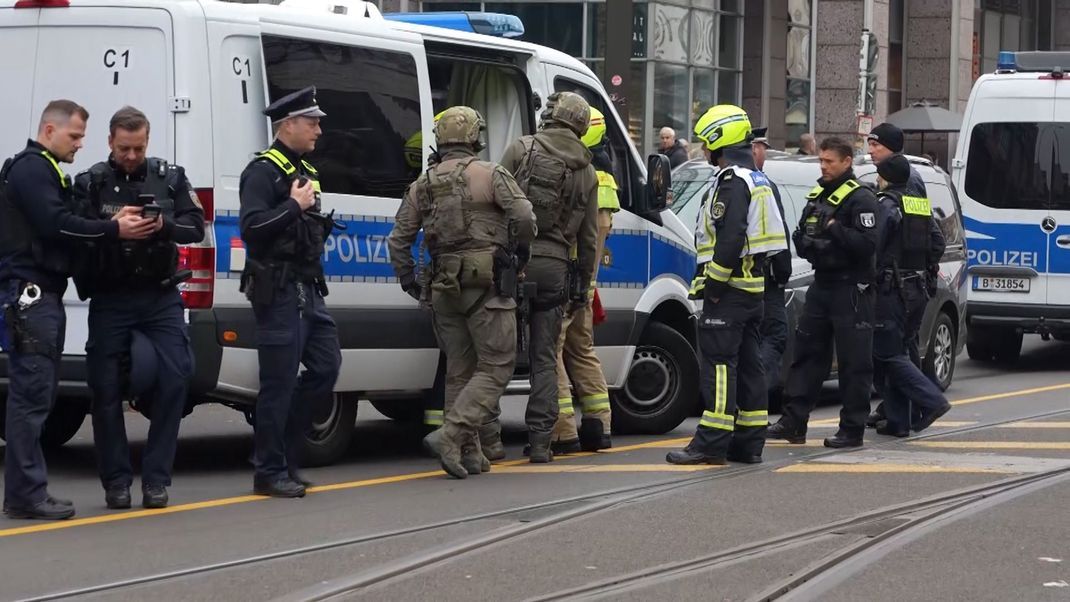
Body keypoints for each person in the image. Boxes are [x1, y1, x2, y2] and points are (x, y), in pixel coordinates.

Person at [0, 100, 153, 519]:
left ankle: (26, 491)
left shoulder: (45, 169)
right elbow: (56, 223)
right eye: (75, 136)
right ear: (49, 129)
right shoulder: (32, 169)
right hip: (29, 298)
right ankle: (26, 495)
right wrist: (113, 228)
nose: (81, 145)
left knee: (37, 397)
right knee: (31, 399)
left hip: (40, 296)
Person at [388, 106, 535, 478]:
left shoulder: (424, 183)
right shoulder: (491, 174)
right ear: (474, 137)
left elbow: (398, 240)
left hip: (443, 288)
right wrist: (519, 253)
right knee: (497, 365)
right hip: (487, 286)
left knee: (459, 371)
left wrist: (410, 280)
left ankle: (467, 454)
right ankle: (451, 436)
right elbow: (524, 217)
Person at [73, 106, 205, 510]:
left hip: (159, 294)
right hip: (112, 296)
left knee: (176, 379)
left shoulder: (170, 177)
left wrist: (162, 225)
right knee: (105, 388)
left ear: (148, 141)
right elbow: (73, 232)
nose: (132, 156)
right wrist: (113, 227)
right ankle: (115, 482)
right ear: (110, 142)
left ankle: (156, 481)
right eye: (124, 148)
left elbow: (195, 228)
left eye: (139, 148)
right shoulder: (91, 182)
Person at [665, 106, 788, 465]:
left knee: (719, 367)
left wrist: (714, 285)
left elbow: (730, 237)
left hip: (730, 292)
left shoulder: (733, 182)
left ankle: (710, 443)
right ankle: (749, 443)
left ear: (719, 140)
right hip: (752, 291)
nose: (703, 150)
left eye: (705, 143)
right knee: (750, 367)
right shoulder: (757, 179)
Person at [239, 86, 341, 498]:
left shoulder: (306, 171)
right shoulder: (262, 172)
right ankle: (270, 469)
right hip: (278, 291)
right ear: (288, 125)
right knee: (278, 383)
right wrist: (293, 208)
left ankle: (285, 455)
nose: (318, 128)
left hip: (308, 290)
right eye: (311, 121)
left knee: (326, 368)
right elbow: (252, 228)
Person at [495, 91, 598, 463]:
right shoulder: (587, 170)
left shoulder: (520, 149)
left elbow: (496, 207)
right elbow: (589, 240)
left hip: (514, 264)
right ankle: (540, 443)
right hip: (556, 268)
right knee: (543, 358)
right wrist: (582, 288)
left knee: (497, 354)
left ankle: (489, 443)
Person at [767, 136, 880, 448]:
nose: (823, 166)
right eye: (821, 160)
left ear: (846, 162)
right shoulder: (818, 194)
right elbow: (801, 237)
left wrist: (833, 231)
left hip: (852, 288)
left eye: (829, 161)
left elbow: (866, 245)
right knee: (806, 355)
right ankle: (793, 423)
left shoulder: (862, 199)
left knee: (853, 362)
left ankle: (852, 429)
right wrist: (822, 243)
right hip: (823, 284)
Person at [550, 107, 620, 454]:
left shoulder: (580, 175)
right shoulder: (604, 178)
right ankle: (599, 425)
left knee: (552, 350)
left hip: (568, 280)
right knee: (581, 350)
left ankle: (563, 431)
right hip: (586, 287)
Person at [871, 154, 951, 436]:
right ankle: (898, 422)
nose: (876, 180)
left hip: (893, 290)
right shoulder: (917, 204)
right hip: (917, 288)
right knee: (900, 352)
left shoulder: (887, 204)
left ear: (886, 177)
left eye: (878, 175)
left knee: (887, 355)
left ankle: (932, 401)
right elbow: (938, 243)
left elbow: (875, 247)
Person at [865, 121, 933, 428]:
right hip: (911, 282)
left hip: (898, 283)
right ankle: (899, 410)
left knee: (895, 351)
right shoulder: (902, 185)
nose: (871, 150)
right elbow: (933, 238)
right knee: (898, 348)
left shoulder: (903, 186)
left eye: (876, 145)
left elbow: (886, 238)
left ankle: (919, 404)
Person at [751, 128, 793, 396]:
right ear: (754, 148)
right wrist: (783, 269)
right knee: (774, 335)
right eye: (762, 147)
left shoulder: (720, 181)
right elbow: (777, 234)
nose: (764, 152)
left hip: (737, 280)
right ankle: (753, 400)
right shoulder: (763, 185)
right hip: (765, 280)